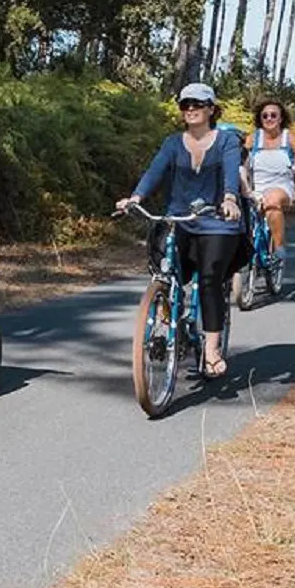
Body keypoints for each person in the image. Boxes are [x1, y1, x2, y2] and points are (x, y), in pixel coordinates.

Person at [115, 83, 243, 378]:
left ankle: (211, 350)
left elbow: (230, 172)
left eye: (197, 104)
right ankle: (167, 310)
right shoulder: (173, 143)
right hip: (178, 217)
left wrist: (229, 199)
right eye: (185, 104)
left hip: (216, 221)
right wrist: (135, 198)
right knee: (164, 270)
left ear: (211, 108)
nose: (190, 109)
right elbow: (154, 171)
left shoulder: (226, 142)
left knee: (210, 279)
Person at [245, 99, 295, 258]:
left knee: (272, 200)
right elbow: (240, 157)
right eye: (265, 116)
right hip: (256, 187)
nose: (269, 119)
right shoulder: (254, 138)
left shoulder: (288, 137)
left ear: (281, 118)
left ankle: (278, 247)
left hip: (281, 186)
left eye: (273, 115)